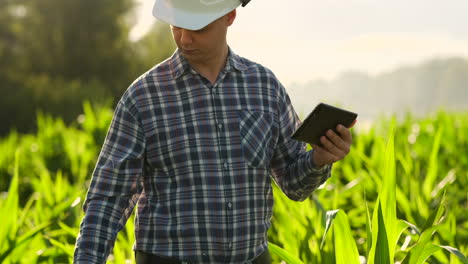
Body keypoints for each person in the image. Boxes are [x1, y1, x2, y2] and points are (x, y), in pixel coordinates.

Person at [73, 0, 354, 263]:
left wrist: (319, 158)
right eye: (176, 25)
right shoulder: (143, 97)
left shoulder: (265, 88)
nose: (184, 38)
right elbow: (108, 199)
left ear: (229, 16)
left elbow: (294, 184)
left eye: (196, 28)